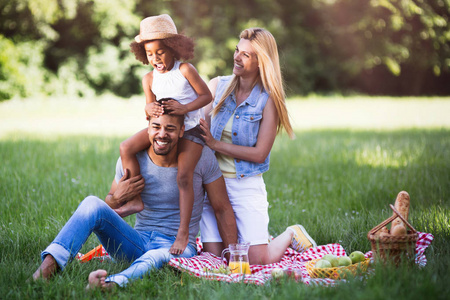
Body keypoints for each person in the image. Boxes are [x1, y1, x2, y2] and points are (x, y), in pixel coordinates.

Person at [32, 112, 238, 289]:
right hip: (135, 241)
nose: (162, 134)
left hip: (177, 247)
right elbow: (108, 206)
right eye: (156, 127)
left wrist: (234, 260)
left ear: (182, 130)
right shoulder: (132, 160)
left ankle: (110, 284)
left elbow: (222, 208)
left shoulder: (200, 158)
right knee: (91, 203)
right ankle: (46, 271)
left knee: (157, 256)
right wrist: (116, 197)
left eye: (170, 129)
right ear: (147, 126)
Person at [199, 28, 316, 265]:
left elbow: (260, 153)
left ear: (261, 62)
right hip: (213, 185)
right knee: (214, 258)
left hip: (245, 184)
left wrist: (215, 144)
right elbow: (196, 125)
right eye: (237, 50)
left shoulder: (267, 100)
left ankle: (291, 232)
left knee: (257, 260)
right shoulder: (217, 86)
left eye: (246, 55)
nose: (236, 57)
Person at [120, 14, 212, 255]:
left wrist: (185, 108)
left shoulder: (184, 70)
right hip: (164, 130)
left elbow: (206, 97)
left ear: (173, 47)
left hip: (190, 130)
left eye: (160, 51)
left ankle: (183, 233)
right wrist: (147, 108)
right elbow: (150, 112)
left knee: (183, 177)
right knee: (126, 147)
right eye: (149, 53)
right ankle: (135, 198)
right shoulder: (148, 78)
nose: (155, 58)